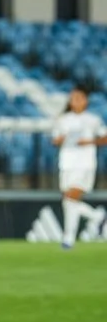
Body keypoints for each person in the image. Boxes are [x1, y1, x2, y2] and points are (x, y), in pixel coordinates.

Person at [51, 84, 106, 250]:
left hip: (85, 163)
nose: (76, 101)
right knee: (68, 200)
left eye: (79, 98)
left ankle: (69, 236)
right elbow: (55, 140)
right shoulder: (63, 120)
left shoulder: (93, 120)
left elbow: (104, 138)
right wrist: (60, 140)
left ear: (85, 101)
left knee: (71, 197)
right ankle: (95, 216)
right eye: (73, 98)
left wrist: (88, 142)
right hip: (67, 162)